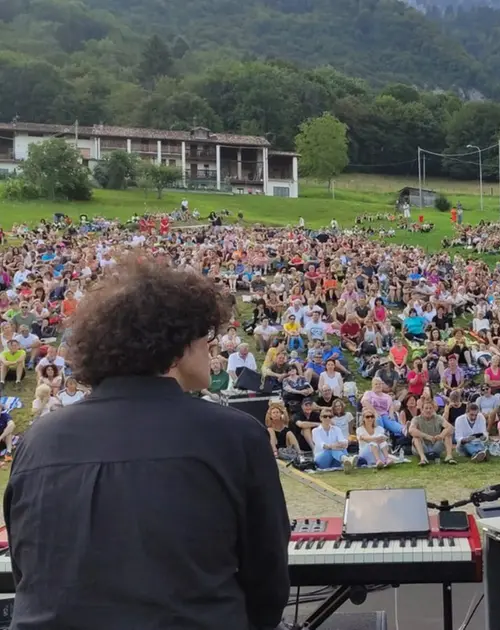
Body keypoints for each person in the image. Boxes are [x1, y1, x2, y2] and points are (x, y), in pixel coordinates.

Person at [3, 262, 290, 630]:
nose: (211, 345)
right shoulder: (235, 435)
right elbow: (268, 582)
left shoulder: (37, 440)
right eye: (205, 336)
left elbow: (29, 573)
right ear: (176, 346)